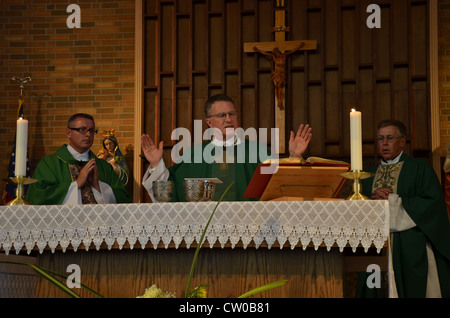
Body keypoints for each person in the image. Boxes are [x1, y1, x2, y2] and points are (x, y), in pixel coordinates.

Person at [141, 94, 312, 202]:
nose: (228, 119)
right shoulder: (193, 155)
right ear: (209, 122)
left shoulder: (258, 152)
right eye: (222, 115)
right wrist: (156, 166)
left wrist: (294, 157)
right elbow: (168, 196)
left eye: (232, 114)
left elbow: (282, 186)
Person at [360, 119, 450, 298]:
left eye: (390, 138)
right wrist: (371, 202)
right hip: (375, 246)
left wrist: (393, 201)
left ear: (402, 141)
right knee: (375, 287)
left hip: (410, 245)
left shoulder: (419, 168)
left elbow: (432, 203)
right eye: (380, 139)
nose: (384, 143)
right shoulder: (367, 175)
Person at [25, 113, 131, 205]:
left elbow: (124, 199)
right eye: (82, 130)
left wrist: (99, 186)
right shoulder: (49, 164)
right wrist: (76, 184)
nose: (88, 134)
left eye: (91, 130)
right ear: (68, 133)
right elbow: (37, 197)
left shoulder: (104, 166)